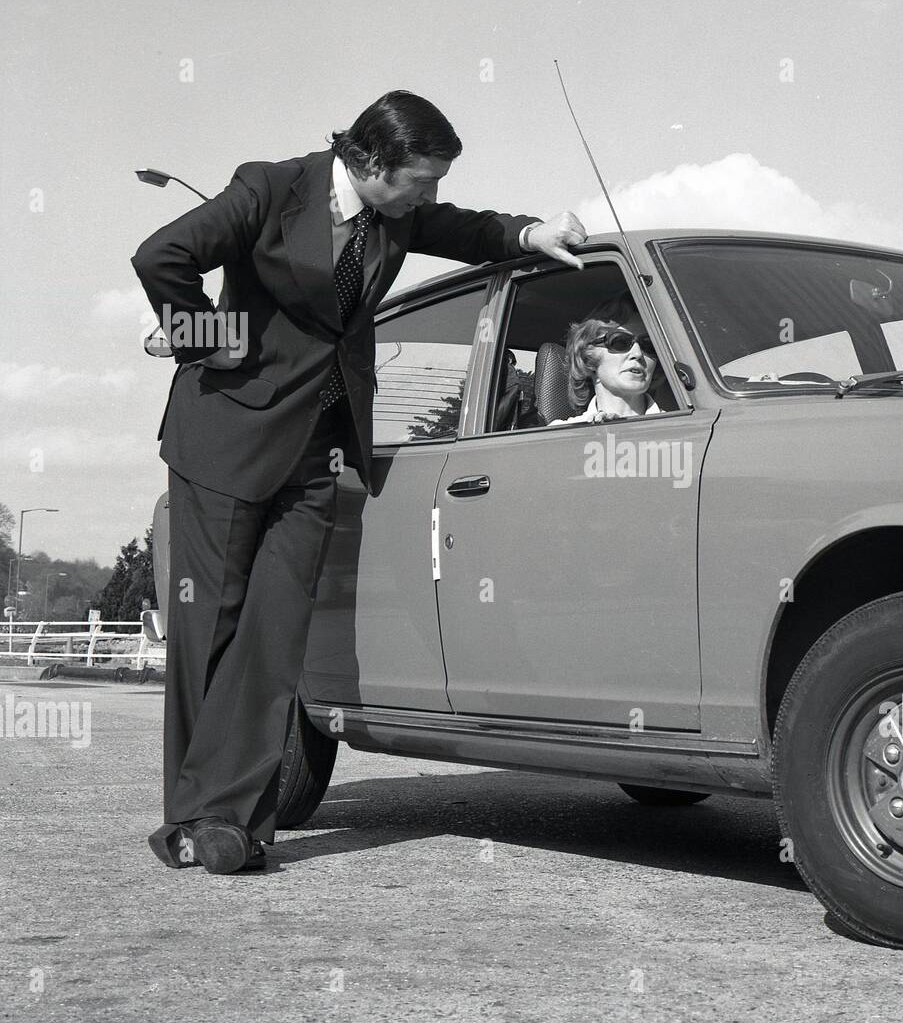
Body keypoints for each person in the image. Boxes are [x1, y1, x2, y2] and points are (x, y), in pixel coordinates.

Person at [133, 89, 587, 873]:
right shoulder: (270, 190)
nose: (429, 195)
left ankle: (231, 822)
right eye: (420, 178)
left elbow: (471, 230)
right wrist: (207, 337)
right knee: (210, 626)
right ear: (369, 162)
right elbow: (159, 256)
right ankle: (189, 816)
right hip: (225, 441)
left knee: (274, 634)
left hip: (316, 447)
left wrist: (530, 231)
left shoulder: (399, 214)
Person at [550, 319, 664, 424]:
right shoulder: (557, 436)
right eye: (620, 342)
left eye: (648, 345)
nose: (638, 354)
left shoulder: (678, 428)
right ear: (588, 358)